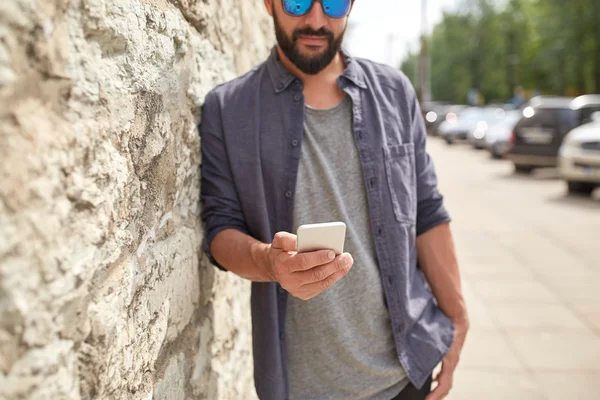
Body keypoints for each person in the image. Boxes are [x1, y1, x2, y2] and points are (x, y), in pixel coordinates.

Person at [199, 1, 469, 399]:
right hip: (302, 386)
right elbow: (220, 231)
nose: (314, 20)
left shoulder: (395, 92)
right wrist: (269, 263)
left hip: (409, 371)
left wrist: (458, 319)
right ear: (269, 3)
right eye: (296, 2)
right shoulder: (227, 108)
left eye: (334, 3)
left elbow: (426, 211)